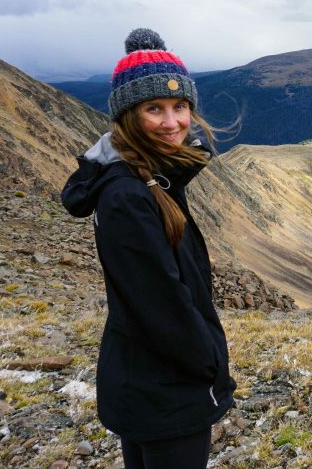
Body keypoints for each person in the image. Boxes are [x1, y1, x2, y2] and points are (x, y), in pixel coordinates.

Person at [62, 28, 236, 469]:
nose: (172, 122)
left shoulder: (146, 178)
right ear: (127, 115)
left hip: (145, 377)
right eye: (153, 109)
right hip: (165, 385)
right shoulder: (128, 197)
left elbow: (168, 176)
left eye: (181, 107)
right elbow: (161, 305)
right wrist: (209, 365)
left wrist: (187, 154)